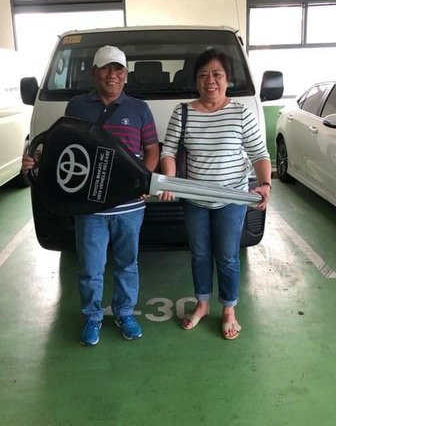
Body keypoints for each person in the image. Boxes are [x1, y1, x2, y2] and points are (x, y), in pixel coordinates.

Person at [22, 45, 160, 346]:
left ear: (126, 75)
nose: (113, 75)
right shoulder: (77, 106)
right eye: (106, 68)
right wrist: (37, 161)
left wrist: (142, 180)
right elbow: (65, 149)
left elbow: (152, 149)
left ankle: (125, 313)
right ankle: (93, 317)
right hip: (89, 208)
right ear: (94, 73)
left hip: (129, 207)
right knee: (90, 268)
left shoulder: (139, 108)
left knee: (127, 264)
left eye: (118, 69)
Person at [158, 48, 271, 340]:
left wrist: (265, 184)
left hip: (232, 198)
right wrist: (169, 181)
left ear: (227, 79)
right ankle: (203, 303)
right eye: (203, 75)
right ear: (196, 80)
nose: (210, 81)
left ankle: (229, 309)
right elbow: (168, 151)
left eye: (217, 74)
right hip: (195, 199)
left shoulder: (241, 113)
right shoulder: (183, 112)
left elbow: (259, 154)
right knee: (199, 254)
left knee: (228, 256)